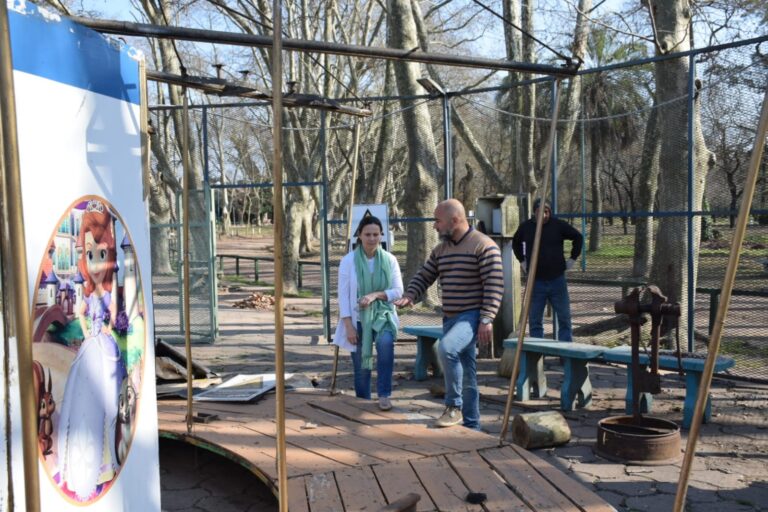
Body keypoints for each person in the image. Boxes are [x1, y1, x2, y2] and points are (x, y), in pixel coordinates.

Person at [394, 199, 503, 430]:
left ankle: (453, 406)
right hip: (450, 316)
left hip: (471, 316)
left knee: (447, 348)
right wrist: (411, 294)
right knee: (467, 371)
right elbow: (425, 275)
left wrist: (487, 318)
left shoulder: (483, 245)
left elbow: (494, 284)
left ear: (455, 220)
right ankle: (472, 425)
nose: (435, 226)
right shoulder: (441, 249)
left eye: (438, 220)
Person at [57, 199, 127, 501]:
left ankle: (106, 464)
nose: (96, 262)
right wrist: (89, 334)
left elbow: (112, 319)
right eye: (90, 254)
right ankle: (79, 468)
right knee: (82, 403)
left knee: (108, 406)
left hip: (105, 348)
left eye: (101, 254)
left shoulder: (108, 294)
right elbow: (83, 316)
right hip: (93, 346)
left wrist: (107, 332)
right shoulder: (89, 295)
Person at [333, 215, 403, 411]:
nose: (372, 238)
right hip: (357, 319)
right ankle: (362, 400)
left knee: (386, 349)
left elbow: (398, 291)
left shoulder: (390, 260)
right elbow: (343, 295)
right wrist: (348, 326)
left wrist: (375, 295)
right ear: (359, 236)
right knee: (361, 365)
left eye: (376, 234)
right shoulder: (348, 261)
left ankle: (384, 395)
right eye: (368, 234)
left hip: (383, 316)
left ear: (381, 235)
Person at [512, 198, 583, 342]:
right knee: (535, 320)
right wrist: (523, 261)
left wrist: (572, 258)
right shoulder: (526, 227)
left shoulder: (558, 225)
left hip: (557, 280)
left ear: (549, 212)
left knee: (564, 319)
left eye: (546, 212)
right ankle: (538, 358)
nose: (543, 215)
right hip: (536, 280)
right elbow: (516, 243)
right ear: (534, 212)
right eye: (540, 212)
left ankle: (565, 354)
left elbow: (578, 237)